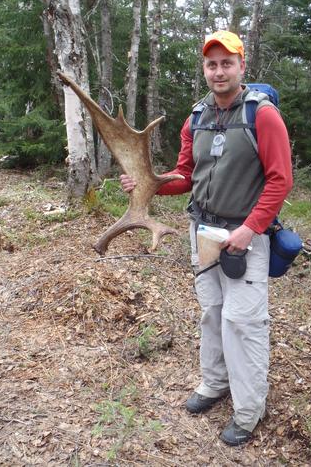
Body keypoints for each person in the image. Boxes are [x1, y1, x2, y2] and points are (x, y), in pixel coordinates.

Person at [120, 30, 293, 446]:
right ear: (205, 69)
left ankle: (249, 410)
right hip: (203, 232)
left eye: (227, 63)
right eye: (212, 64)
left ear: (241, 66)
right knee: (212, 311)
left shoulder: (262, 115)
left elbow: (280, 180)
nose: (219, 71)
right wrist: (151, 184)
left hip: (246, 235)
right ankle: (214, 383)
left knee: (243, 321)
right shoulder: (195, 117)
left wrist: (250, 229)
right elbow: (186, 175)